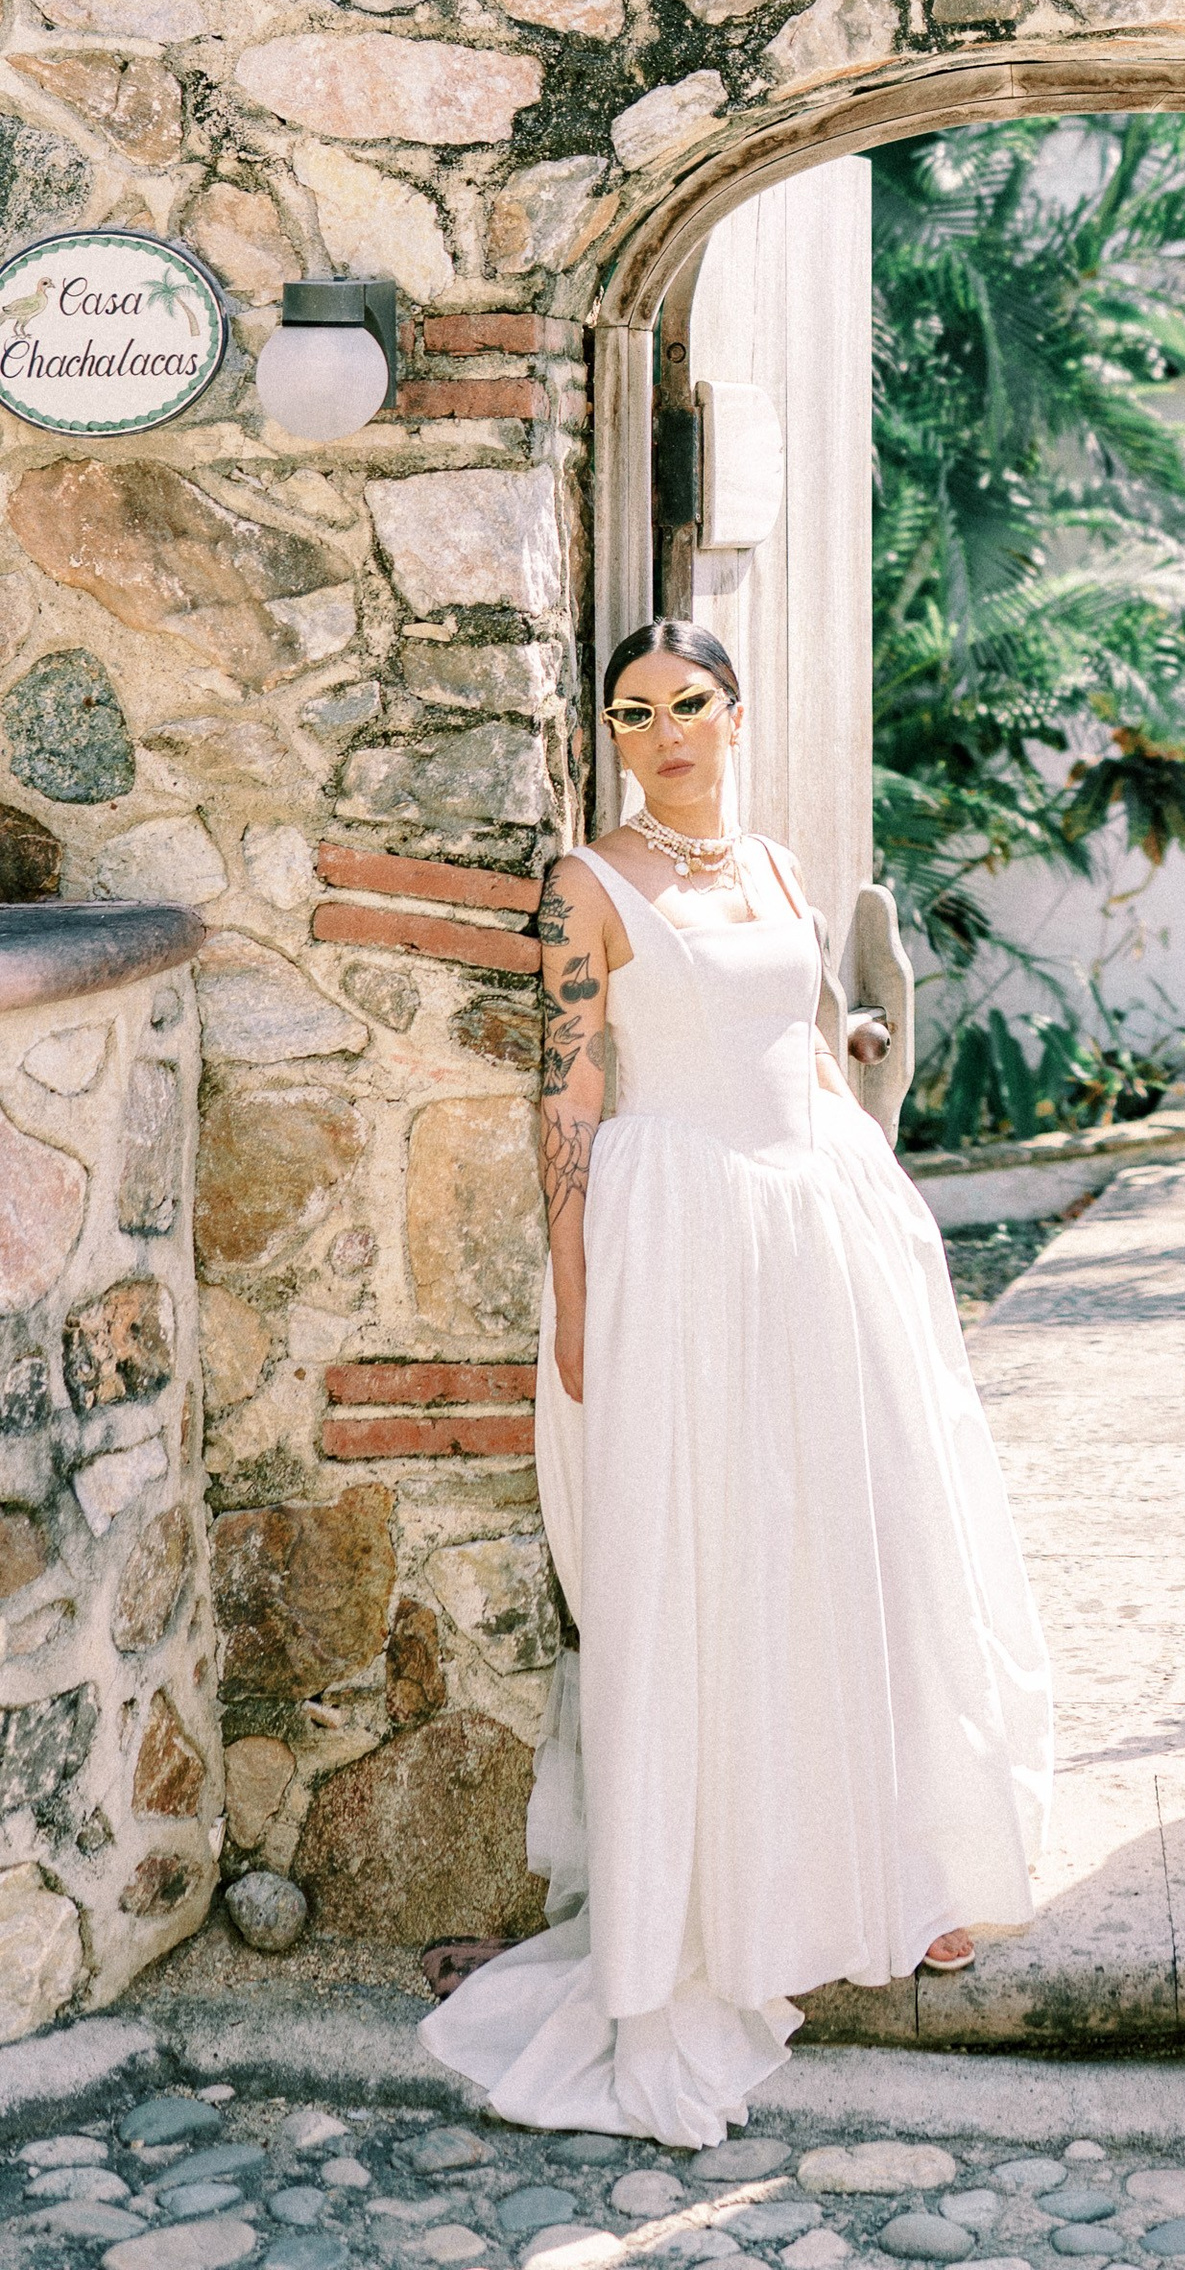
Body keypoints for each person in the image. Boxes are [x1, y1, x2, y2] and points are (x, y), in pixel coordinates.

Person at [420, 618, 1052, 2145]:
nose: (665, 732)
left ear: (736, 710)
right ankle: (716, 1916)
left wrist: (845, 1040)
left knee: (852, 1536)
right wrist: (574, 1305)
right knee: (709, 1562)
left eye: (689, 703)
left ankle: (884, 1880)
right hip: (682, 1238)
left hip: (814, 1225)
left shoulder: (773, 863)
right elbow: (572, 1090)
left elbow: (800, 1035)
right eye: (635, 712)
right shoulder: (590, 884)